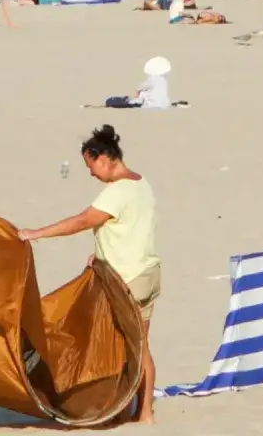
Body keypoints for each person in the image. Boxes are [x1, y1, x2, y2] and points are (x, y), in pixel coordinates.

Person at [18, 125, 160, 424]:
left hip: (126, 281)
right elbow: (129, 229)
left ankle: (119, 410)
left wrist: (36, 234)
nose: (91, 173)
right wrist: (101, 253)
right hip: (149, 273)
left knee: (120, 348)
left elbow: (82, 221)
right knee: (141, 346)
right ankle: (143, 413)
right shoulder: (141, 182)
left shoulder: (116, 192)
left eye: (91, 165)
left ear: (105, 158)